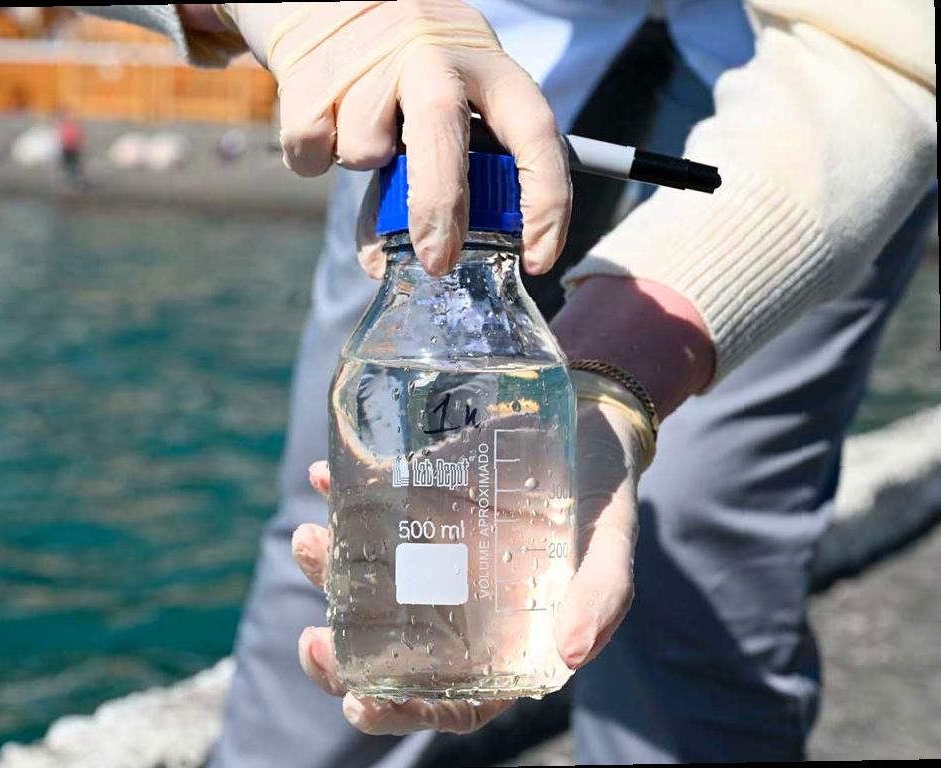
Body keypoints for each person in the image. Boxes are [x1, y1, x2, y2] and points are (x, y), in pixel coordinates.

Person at [84, 3, 936, 765]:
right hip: (422, 93)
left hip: (796, 111)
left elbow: (892, 55)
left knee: (706, 542)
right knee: (356, 532)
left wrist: (613, 383)